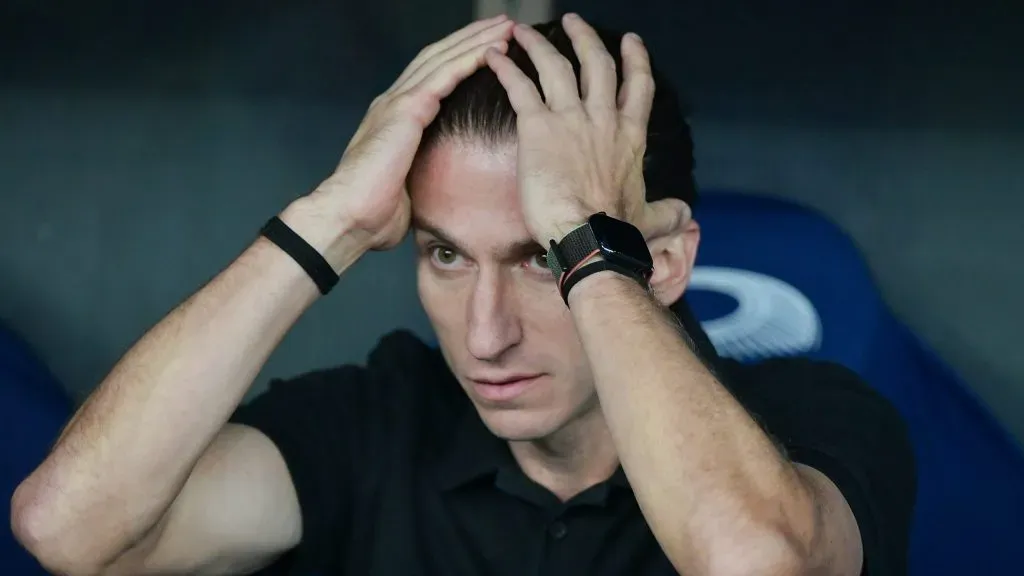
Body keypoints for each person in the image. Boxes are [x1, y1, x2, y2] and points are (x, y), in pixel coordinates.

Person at [11, 13, 915, 576]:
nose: (485, 336)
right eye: (446, 256)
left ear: (667, 261)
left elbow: (753, 563)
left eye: (538, 260)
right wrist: (327, 221)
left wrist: (589, 241)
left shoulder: (812, 422)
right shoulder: (378, 422)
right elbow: (69, 528)